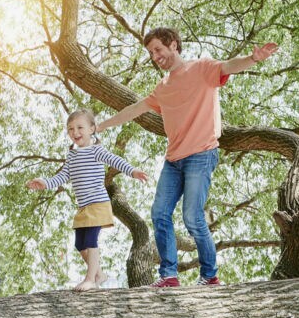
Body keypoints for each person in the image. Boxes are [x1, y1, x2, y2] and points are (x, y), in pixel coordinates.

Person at [96, 27, 279, 287]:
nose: (155, 56)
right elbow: (134, 109)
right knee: (159, 213)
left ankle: (209, 276)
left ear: (173, 45)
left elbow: (229, 66)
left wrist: (253, 59)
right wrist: (101, 126)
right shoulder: (162, 88)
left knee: (192, 217)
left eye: (158, 49)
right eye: (150, 53)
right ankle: (169, 275)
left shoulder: (202, 68)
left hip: (201, 155)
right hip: (173, 161)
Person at [28, 110, 148, 291]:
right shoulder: (72, 156)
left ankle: (91, 279)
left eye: (79, 127)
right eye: (70, 129)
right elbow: (61, 177)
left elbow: (114, 160)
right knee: (80, 244)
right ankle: (100, 274)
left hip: (98, 203)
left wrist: (132, 171)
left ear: (92, 129)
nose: (75, 132)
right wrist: (44, 183)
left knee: (91, 240)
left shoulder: (96, 151)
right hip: (84, 207)